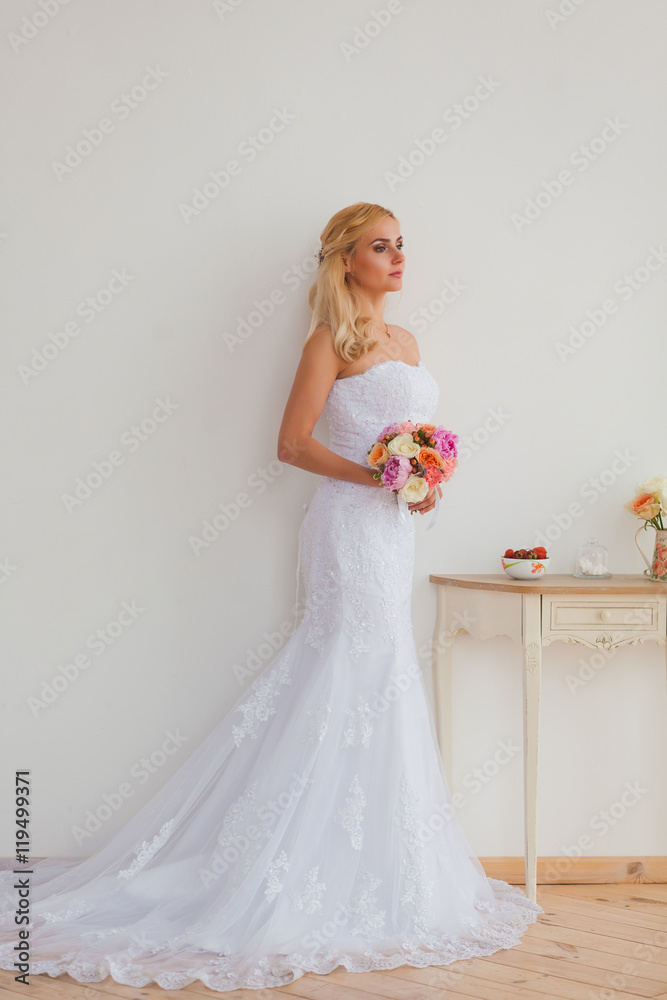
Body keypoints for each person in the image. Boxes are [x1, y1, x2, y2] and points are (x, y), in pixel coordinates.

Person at [0, 202, 543, 993]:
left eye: (400, 246)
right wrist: (380, 475)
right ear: (345, 260)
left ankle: (375, 864)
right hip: (349, 530)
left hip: (394, 530)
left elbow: (409, 442)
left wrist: (418, 484)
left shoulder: (409, 342)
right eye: (379, 247)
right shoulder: (330, 341)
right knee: (349, 670)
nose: (397, 259)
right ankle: (283, 867)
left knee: (383, 673)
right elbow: (290, 443)